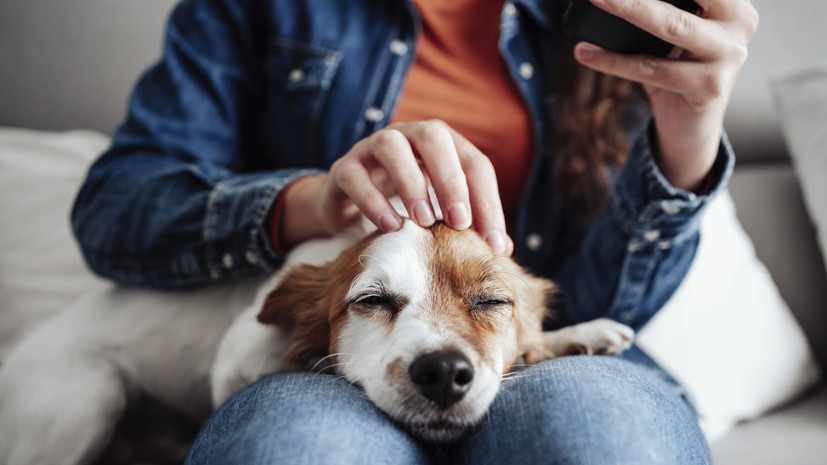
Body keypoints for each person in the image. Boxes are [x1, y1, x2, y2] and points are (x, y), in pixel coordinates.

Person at [71, 0, 758, 463]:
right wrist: (314, 201)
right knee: (297, 447)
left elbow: (600, 305)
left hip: (538, 353)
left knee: (608, 437)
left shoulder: (609, 18)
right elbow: (111, 210)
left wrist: (686, 142)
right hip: (332, 365)